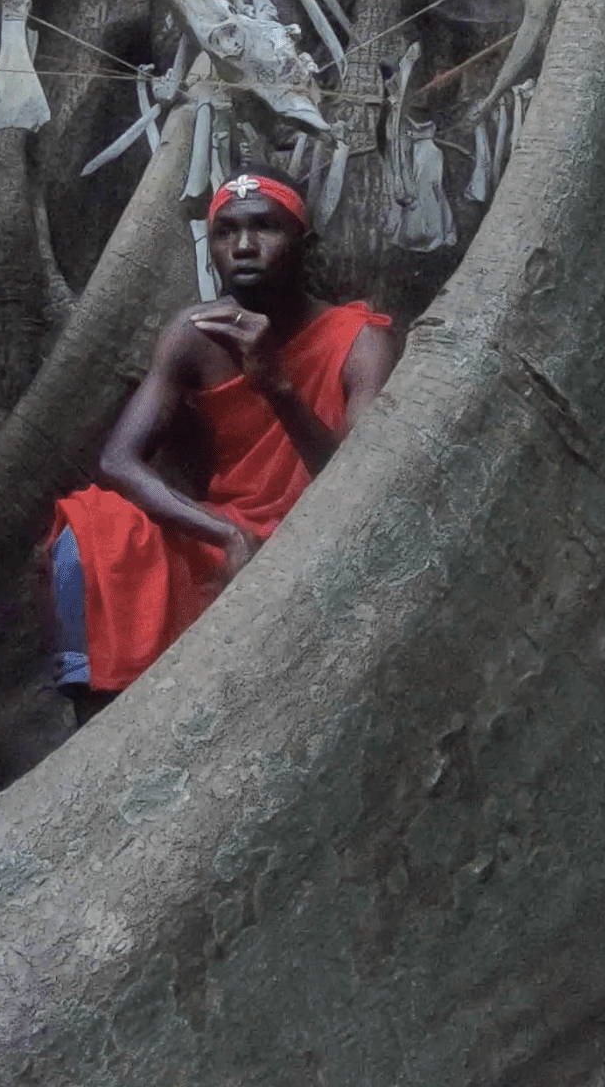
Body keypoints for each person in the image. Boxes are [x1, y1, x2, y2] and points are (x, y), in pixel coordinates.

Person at [49, 167, 397, 711]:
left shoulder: (359, 342)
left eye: (265, 228)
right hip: (228, 531)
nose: (244, 246)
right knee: (93, 526)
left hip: (319, 537)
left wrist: (277, 385)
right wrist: (226, 534)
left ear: (303, 244)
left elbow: (357, 485)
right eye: (226, 231)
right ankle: (97, 719)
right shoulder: (196, 333)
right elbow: (118, 460)